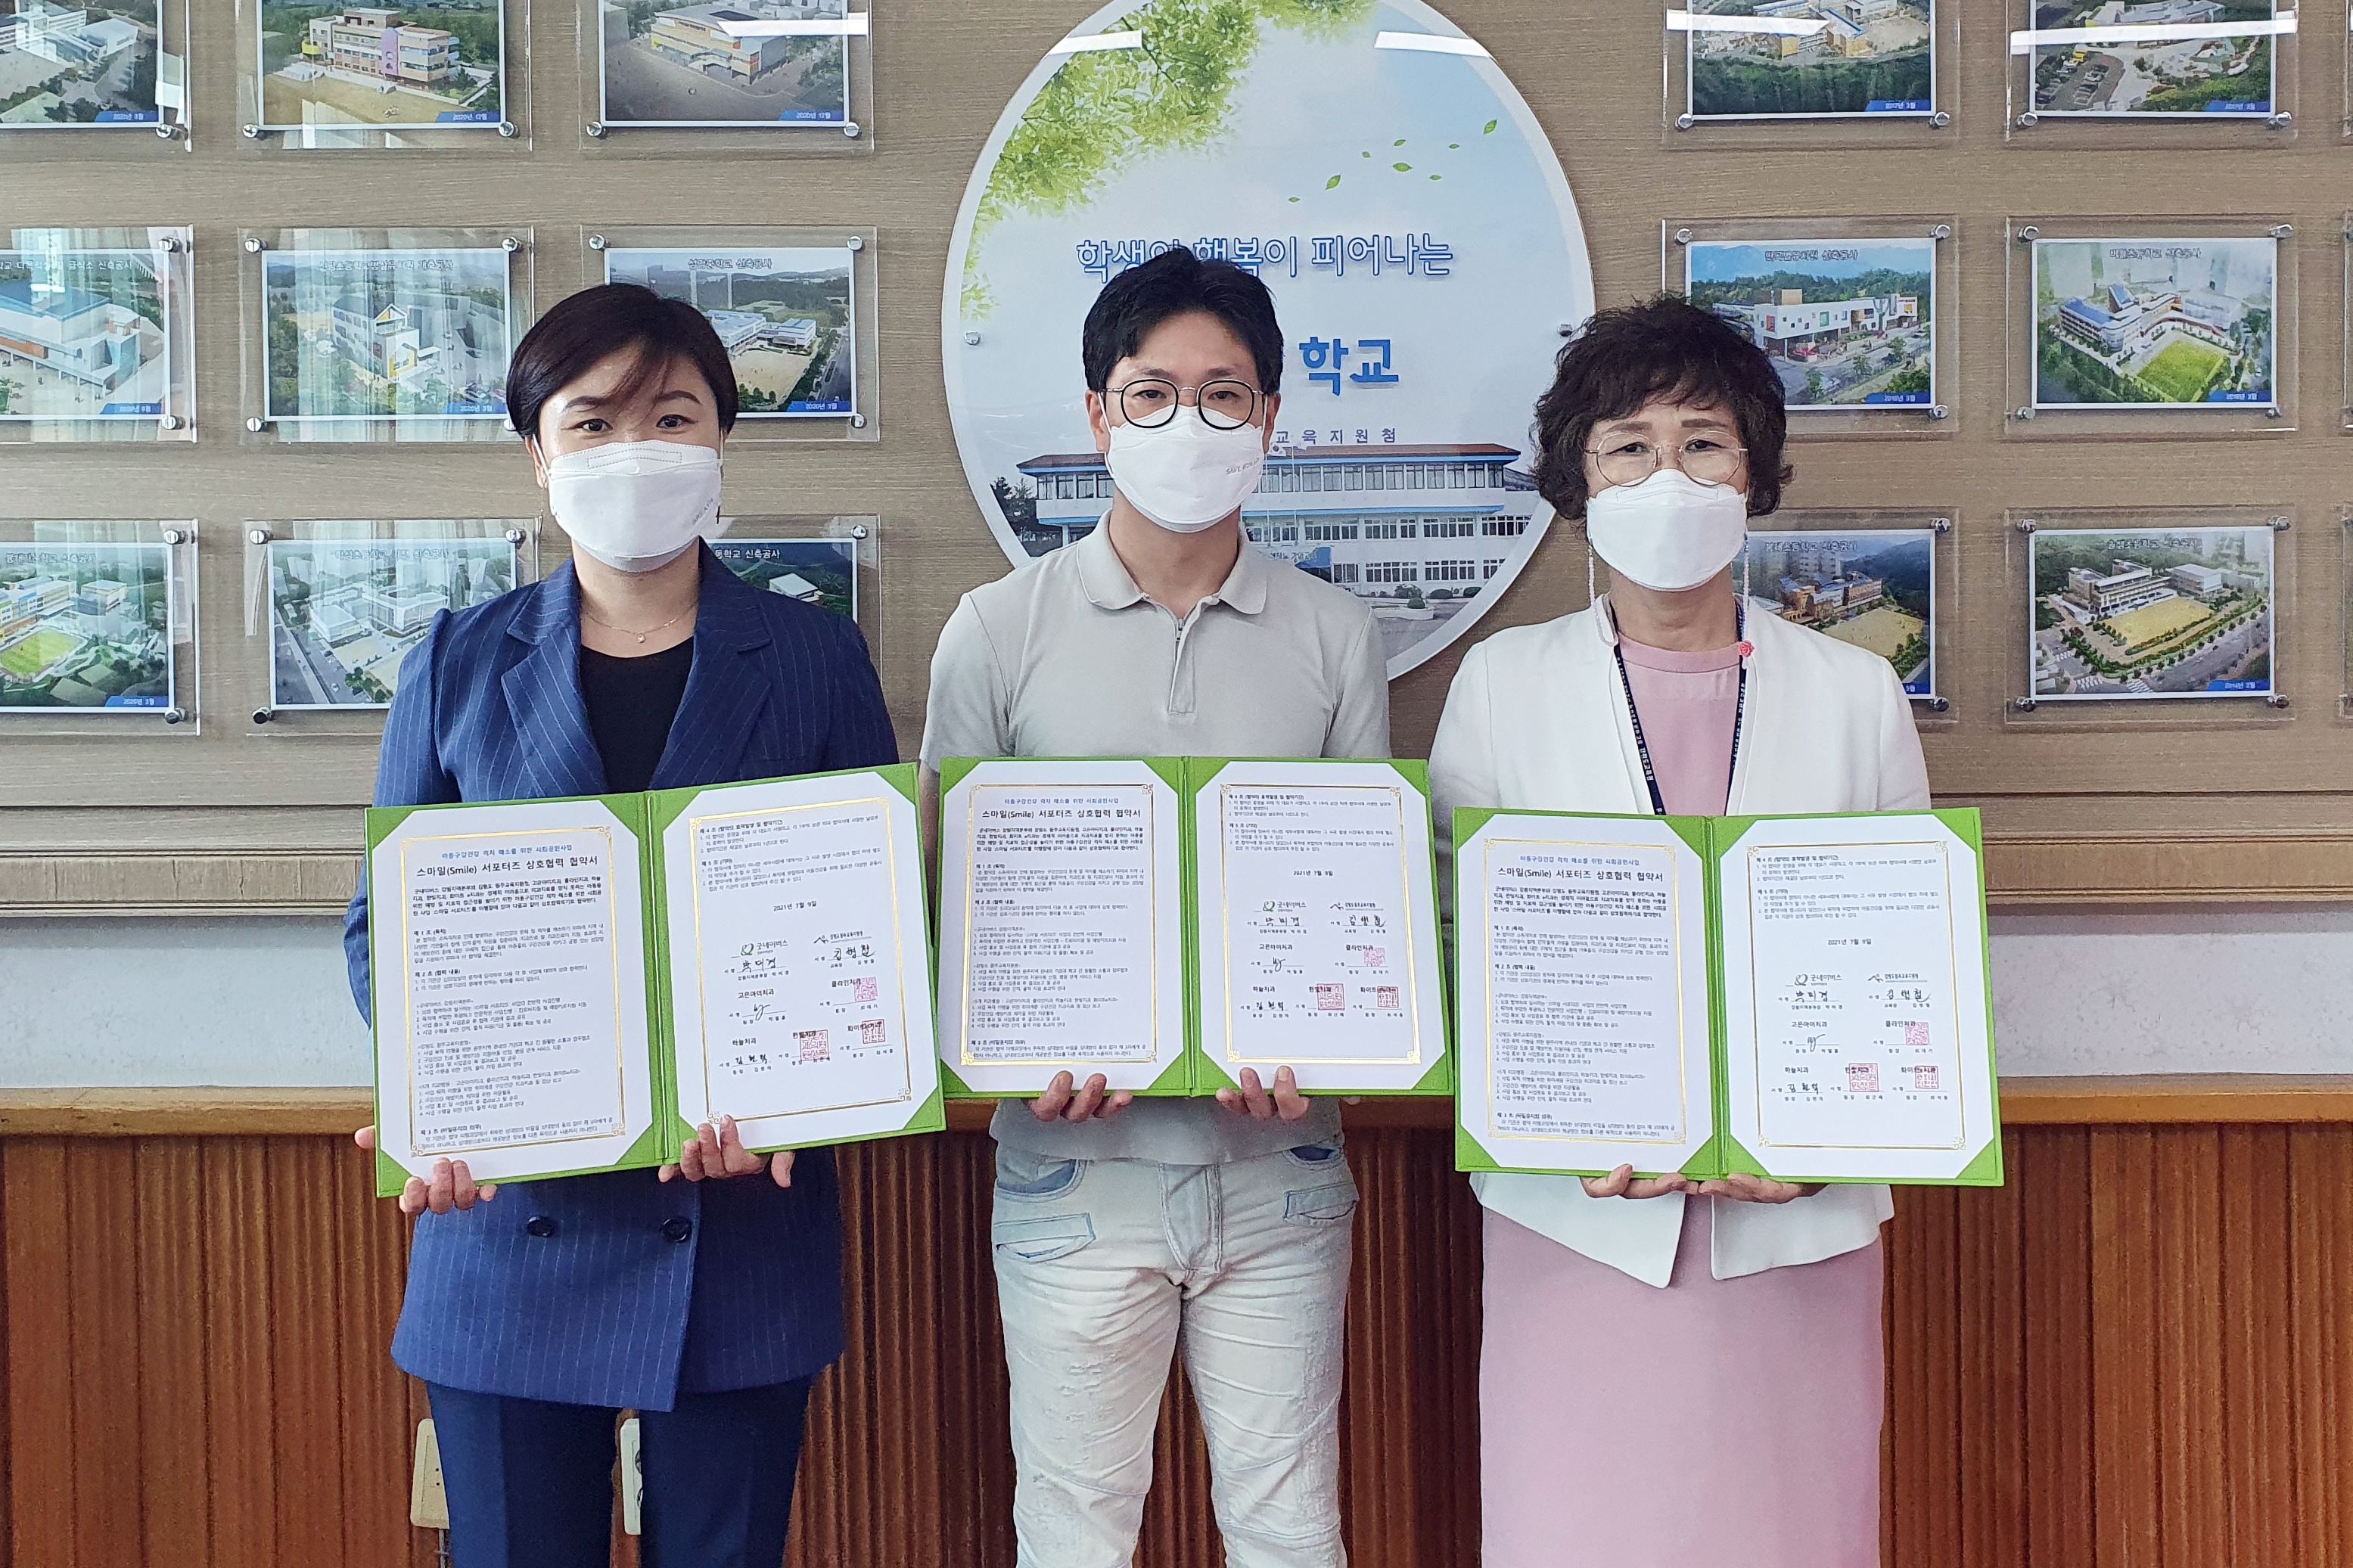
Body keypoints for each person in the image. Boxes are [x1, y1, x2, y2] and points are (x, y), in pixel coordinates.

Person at [342, 284, 897, 1568]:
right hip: (506, 1226)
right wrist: (442, 1093)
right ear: (539, 456)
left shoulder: (815, 656)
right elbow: (387, 928)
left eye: (672, 416)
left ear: (722, 442)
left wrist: (801, 1100)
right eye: (592, 422)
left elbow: (873, 923)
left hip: (740, 1228)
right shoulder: (456, 659)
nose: (634, 448)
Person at [1428, 295, 1929, 1568]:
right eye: (1627, 447)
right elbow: (1458, 947)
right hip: (1574, 1222)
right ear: (1578, 481)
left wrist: (1816, 1153)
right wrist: (1556, 1117)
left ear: (1752, 471)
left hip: (1796, 1226)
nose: (1667, 477)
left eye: (1701, 442)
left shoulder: (1854, 692)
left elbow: (1907, 959)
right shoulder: (1502, 683)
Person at [919, 247, 1387, 1568]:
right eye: (1152, 392)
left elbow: (1366, 901)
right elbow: (947, 903)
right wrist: (1005, 1049)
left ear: (1270, 417)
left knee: (1291, 1534)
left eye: (1224, 394)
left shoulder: (1334, 633)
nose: (1190, 422)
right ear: (1097, 412)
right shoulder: (994, 628)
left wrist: (1331, 1049)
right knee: (1072, 1537)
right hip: (1071, 1169)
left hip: (1282, 1170)